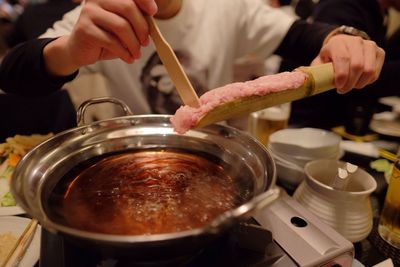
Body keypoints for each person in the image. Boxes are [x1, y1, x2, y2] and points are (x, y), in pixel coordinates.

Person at [0, 0, 385, 126]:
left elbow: (302, 34)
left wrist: (342, 38)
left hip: (217, 153)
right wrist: (69, 52)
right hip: (141, 152)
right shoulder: (101, 17)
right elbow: (13, 74)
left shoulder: (225, 7)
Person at [287, 0, 399, 135]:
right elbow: (346, 72)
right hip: (306, 125)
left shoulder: (381, 13)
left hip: (340, 124)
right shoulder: (341, 5)